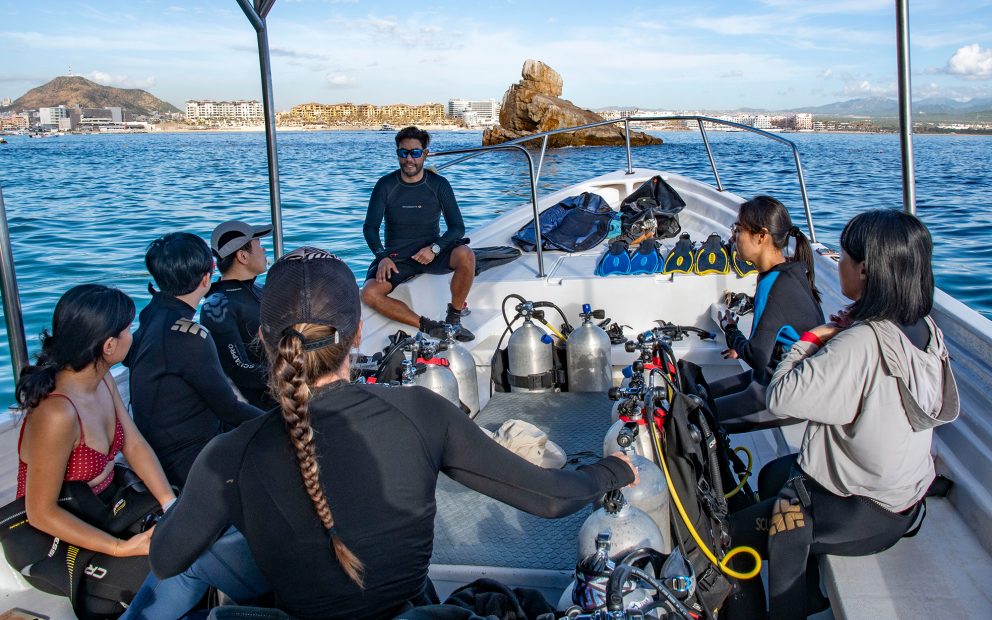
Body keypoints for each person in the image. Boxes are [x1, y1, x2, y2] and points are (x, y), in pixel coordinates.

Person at [145, 247, 636, 620]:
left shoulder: (229, 454)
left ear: (265, 339)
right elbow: (551, 498)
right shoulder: (422, 412)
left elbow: (167, 556)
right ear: (358, 332)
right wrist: (614, 469)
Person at [727, 210, 959, 620]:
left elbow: (780, 396)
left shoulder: (860, 341)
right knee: (772, 476)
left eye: (845, 259)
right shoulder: (923, 326)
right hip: (902, 497)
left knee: (725, 537)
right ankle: (811, 590)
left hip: (864, 509)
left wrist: (814, 338)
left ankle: (784, 609)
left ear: (866, 269)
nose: (839, 266)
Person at [12, 284, 177, 615]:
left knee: (190, 536)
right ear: (109, 345)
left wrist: (169, 503)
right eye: (128, 328)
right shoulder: (58, 412)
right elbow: (41, 512)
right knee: (165, 574)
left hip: (102, 511)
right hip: (50, 539)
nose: (133, 334)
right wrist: (120, 549)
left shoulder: (101, 380)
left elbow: (133, 443)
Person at [125, 232, 263, 486]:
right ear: (206, 278)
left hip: (160, 449)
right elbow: (229, 408)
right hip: (190, 461)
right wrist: (281, 423)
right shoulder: (190, 337)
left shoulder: (152, 313)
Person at [711, 196, 823, 432]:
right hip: (775, 375)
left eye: (738, 229)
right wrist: (741, 346)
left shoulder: (775, 285)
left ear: (761, 236)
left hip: (785, 390)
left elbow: (757, 357)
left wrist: (730, 330)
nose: (733, 237)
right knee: (698, 394)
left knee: (696, 418)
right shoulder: (788, 272)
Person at [361, 126, 476, 341]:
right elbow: (370, 228)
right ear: (398, 154)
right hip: (397, 258)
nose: (409, 159)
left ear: (425, 154)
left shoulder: (438, 185)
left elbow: (457, 227)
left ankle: (454, 318)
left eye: (415, 153)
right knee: (369, 294)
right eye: (403, 153)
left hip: (431, 252)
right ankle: (429, 326)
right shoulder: (386, 185)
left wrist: (435, 248)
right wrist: (382, 257)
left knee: (466, 255)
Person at [201, 220, 276, 410]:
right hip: (265, 404)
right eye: (259, 245)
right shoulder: (218, 305)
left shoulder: (262, 289)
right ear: (242, 256)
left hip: (291, 386)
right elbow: (239, 368)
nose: (264, 250)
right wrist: (294, 375)